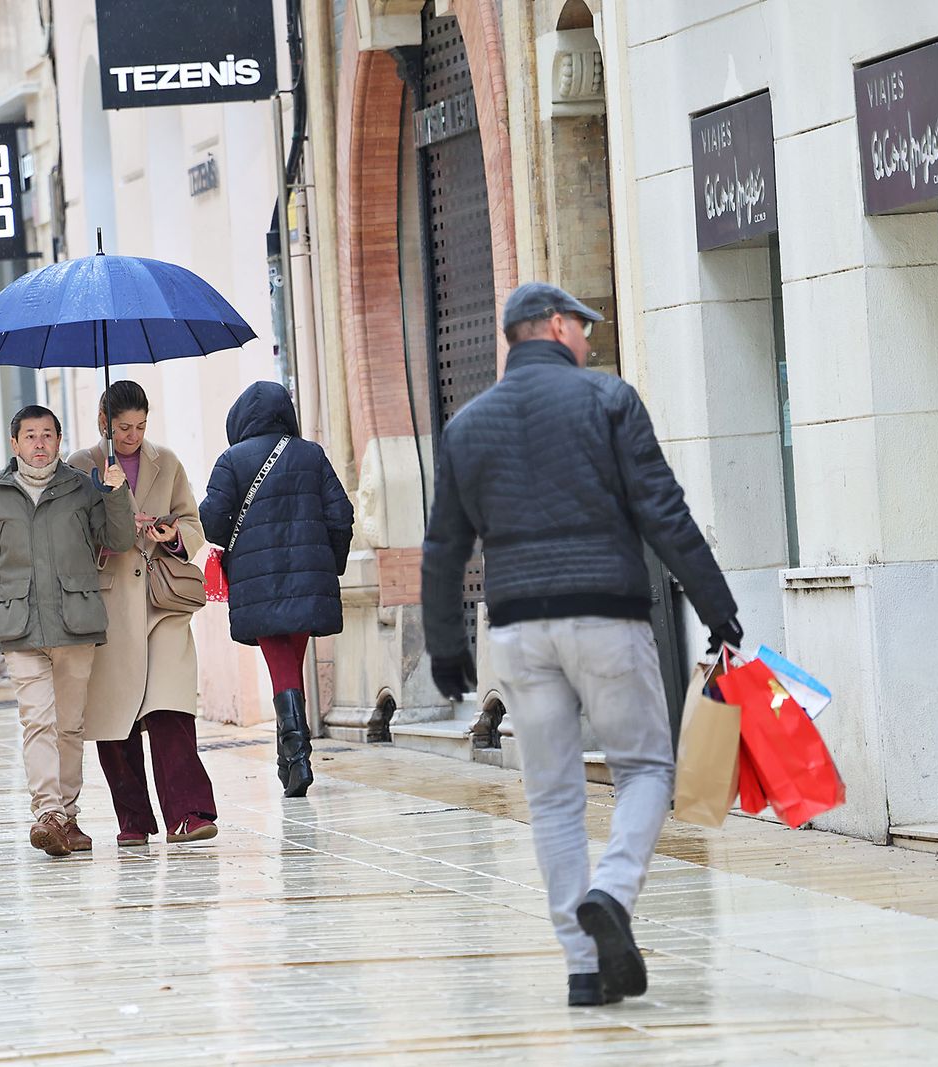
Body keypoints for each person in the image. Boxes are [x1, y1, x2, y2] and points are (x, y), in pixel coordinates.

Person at [421, 282, 743, 1009]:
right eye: (584, 328)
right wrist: (717, 607)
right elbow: (663, 511)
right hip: (605, 615)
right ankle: (612, 890)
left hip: (518, 628)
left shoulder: (468, 426)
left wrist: (446, 645)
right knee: (646, 768)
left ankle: (584, 967)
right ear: (557, 327)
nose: (590, 342)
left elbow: (445, 544)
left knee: (554, 795)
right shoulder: (608, 401)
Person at [0, 405, 134, 857]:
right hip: (20, 627)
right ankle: (47, 812)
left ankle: (68, 817)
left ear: (58, 439)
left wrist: (115, 493)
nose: (39, 444)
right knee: (38, 721)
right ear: (15, 444)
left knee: (69, 726)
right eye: (29, 436)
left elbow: (120, 539)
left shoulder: (80, 488)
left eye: (47, 435)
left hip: (76, 622)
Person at [67, 382, 218, 846]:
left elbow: (193, 523)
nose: (132, 436)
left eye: (140, 427)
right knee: (116, 717)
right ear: (103, 421)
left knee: (171, 709)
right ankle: (133, 821)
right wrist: (112, 523)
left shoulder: (166, 462)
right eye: (123, 428)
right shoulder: (80, 466)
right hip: (109, 604)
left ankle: (189, 814)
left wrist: (172, 534)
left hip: (161, 601)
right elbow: (69, 536)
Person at [199, 381, 353, 799]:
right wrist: (329, 564)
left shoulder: (231, 460)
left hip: (258, 578)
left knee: (278, 661)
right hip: (308, 577)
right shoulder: (311, 454)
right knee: (290, 661)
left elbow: (212, 522)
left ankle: (296, 754)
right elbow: (341, 513)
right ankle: (292, 758)